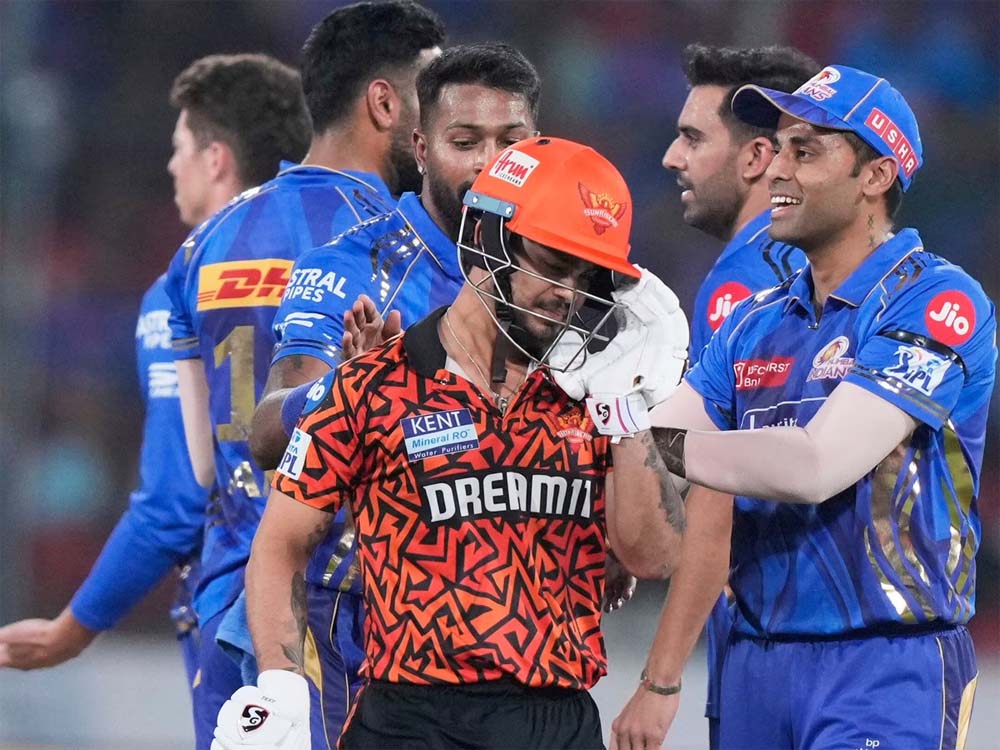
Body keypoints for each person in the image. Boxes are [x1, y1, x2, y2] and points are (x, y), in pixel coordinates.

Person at [215, 136, 690, 750]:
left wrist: (625, 411)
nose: (569, 294)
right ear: (490, 240)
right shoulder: (371, 386)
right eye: (553, 263)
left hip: (559, 722)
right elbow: (280, 545)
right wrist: (280, 687)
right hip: (410, 723)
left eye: (587, 276)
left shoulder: (596, 396)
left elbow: (654, 557)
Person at [633, 65, 995, 750]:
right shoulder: (754, 321)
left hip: (884, 667)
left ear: (876, 176)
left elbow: (816, 466)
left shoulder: (938, 301)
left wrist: (659, 448)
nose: (776, 170)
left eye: (806, 151)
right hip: (752, 661)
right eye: (778, 148)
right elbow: (646, 438)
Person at [0, 51, 308, 731]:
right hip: (365, 599)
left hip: (244, 609)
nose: (171, 166)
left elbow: (177, 499)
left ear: (216, 159)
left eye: (179, 148)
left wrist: (72, 628)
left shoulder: (182, 286)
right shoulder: (352, 258)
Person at [244, 42, 541, 744]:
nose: (491, 164)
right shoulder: (356, 266)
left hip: (510, 634)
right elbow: (267, 430)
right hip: (354, 624)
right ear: (422, 148)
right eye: (465, 143)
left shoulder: (561, 278)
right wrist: (357, 388)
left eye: (512, 142)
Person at [165, 4, 444, 748]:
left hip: (226, 600)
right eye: (434, 96)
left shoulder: (203, 243)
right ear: (386, 103)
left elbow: (193, 470)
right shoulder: (401, 247)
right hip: (339, 606)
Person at [612, 43, 816, 749]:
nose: (672, 157)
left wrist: (661, 677)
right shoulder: (811, 264)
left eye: (693, 138)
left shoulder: (743, 285)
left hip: (777, 626)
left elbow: (719, 488)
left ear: (757, 156)